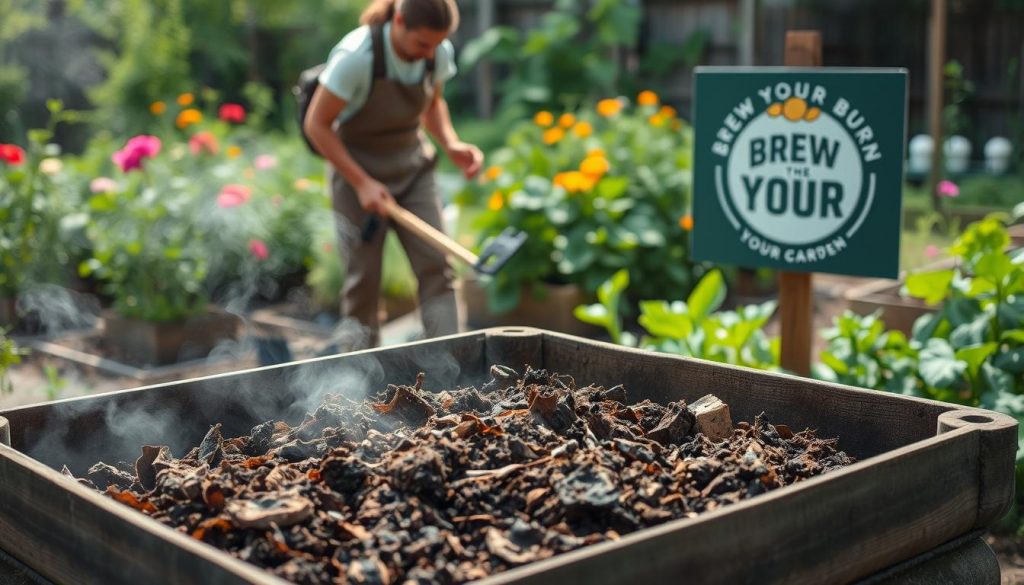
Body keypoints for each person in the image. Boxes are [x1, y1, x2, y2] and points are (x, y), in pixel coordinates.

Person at [304, 0, 482, 349]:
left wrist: (450, 142)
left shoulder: (436, 51)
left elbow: (432, 102)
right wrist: (362, 183)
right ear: (399, 21)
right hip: (357, 173)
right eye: (422, 44)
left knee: (437, 270)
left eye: (437, 44)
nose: (431, 53)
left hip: (412, 169)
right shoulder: (357, 57)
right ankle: (359, 383)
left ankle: (455, 374)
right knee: (363, 283)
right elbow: (317, 125)